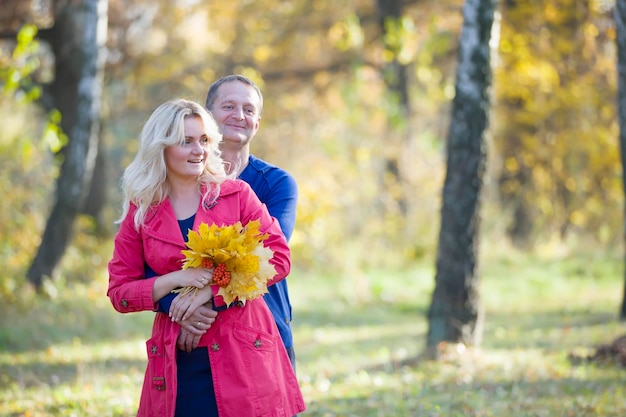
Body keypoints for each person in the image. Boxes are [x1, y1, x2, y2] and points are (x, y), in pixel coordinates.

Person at [107, 99, 305, 417]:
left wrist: (210, 294)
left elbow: (278, 258)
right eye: (185, 141)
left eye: (203, 140)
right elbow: (120, 292)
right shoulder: (141, 210)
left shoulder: (236, 195)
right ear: (162, 147)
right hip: (178, 356)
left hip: (242, 352)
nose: (198, 150)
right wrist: (173, 287)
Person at [161, 75, 299, 370]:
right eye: (229, 106)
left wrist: (206, 295)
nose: (239, 116)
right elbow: (159, 258)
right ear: (207, 115)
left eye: (249, 110)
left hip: (265, 330)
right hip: (191, 331)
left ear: (257, 123)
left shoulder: (277, 184)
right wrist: (176, 308)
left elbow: (267, 256)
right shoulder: (179, 182)